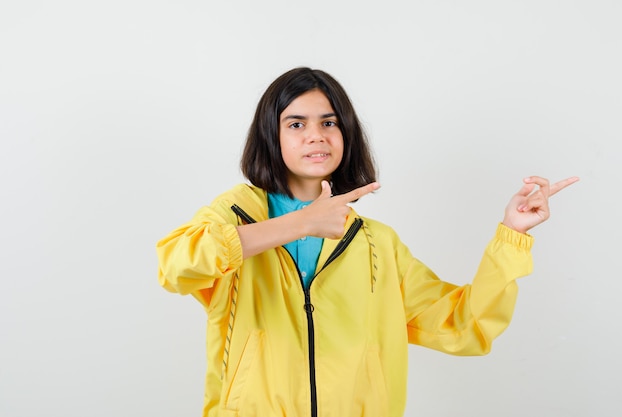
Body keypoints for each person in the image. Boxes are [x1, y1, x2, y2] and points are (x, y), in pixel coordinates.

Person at [156, 67, 578, 417]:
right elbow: (175, 266)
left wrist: (512, 235)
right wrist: (302, 223)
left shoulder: (377, 244)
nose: (316, 135)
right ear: (272, 135)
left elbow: (463, 326)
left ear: (347, 134)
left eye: (329, 122)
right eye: (296, 123)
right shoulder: (233, 214)